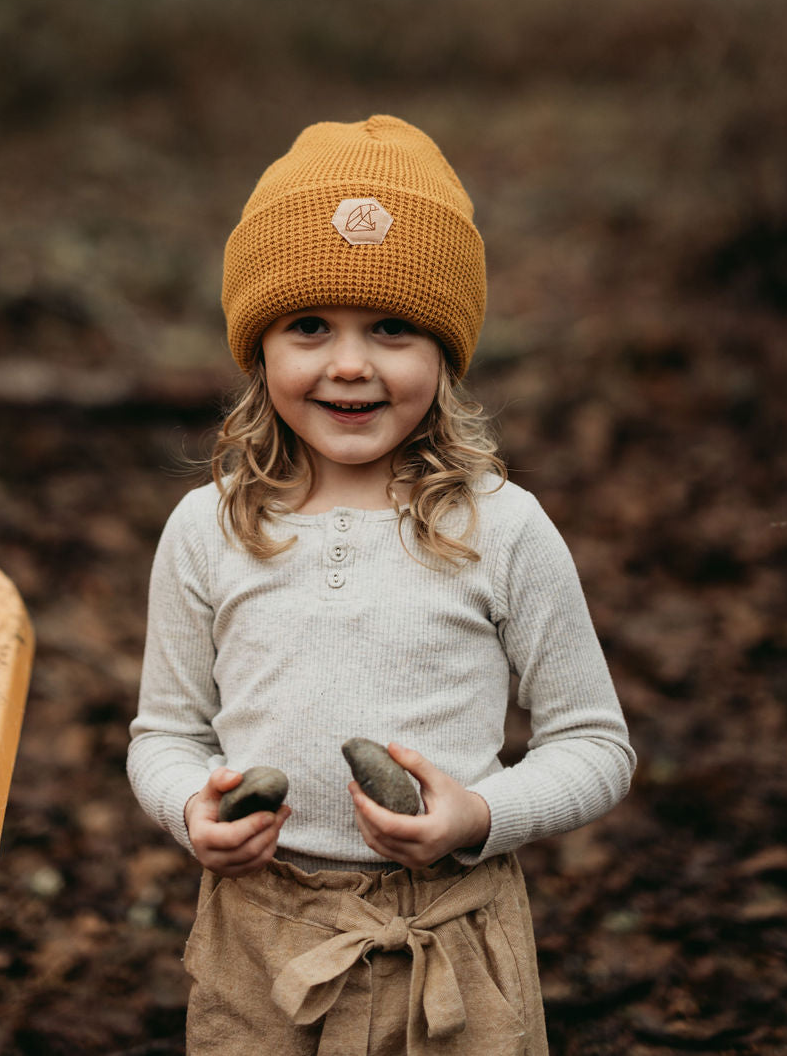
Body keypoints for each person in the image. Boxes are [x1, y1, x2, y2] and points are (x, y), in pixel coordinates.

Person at [128, 114, 635, 1055]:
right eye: (309, 326)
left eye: (393, 328)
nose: (351, 362)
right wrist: (191, 804)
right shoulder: (208, 527)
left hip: (453, 944)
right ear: (260, 348)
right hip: (257, 944)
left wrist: (483, 814)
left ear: (445, 351)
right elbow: (165, 730)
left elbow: (595, 743)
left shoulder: (503, 527)